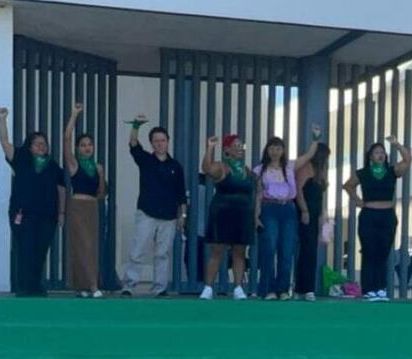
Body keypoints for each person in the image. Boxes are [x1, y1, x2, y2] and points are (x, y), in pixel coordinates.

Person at [0, 107, 66, 297]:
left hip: (47, 216)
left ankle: (36, 285)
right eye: (37, 144)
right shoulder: (21, 158)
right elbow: (4, 142)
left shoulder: (53, 166)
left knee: (41, 251)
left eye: (44, 144)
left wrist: (61, 213)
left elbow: (61, 190)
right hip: (22, 214)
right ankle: (24, 286)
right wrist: (2, 120)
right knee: (25, 248)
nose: (42, 146)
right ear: (29, 146)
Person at [121, 114, 187, 297]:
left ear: (168, 142)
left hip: (169, 215)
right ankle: (129, 285)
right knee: (138, 249)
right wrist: (136, 125)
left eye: (163, 140)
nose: (159, 144)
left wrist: (183, 216)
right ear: (151, 143)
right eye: (156, 141)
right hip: (147, 212)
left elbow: (181, 194)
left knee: (163, 253)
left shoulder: (176, 166)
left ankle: (160, 287)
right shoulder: (146, 160)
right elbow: (133, 145)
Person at [255, 125, 321, 300]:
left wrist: (315, 138)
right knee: (269, 248)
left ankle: (283, 288)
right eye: (272, 148)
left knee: (287, 248)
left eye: (278, 148)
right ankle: (268, 289)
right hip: (269, 208)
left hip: (288, 209)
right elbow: (258, 195)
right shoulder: (260, 170)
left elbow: (309, 155)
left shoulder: (290, 166)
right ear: (267, 150)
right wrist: (256, 216)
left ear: (283, 150)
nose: (275, 151)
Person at [342, 136, 412, 301]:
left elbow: (408, 160)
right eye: (376, 153)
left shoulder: (392, 171)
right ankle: (368, 289)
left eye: (382, 152)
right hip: (369, 215)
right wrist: (358, 200)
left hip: (387, 216)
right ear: (370, 156)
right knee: (369, 252)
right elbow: (348, 185)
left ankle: (380, 289)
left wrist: (397, 145)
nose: (380, 155)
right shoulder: (363, 173)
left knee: (383, 252)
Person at [200, 134, 255, 300]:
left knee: (240, 252)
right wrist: (210, 147)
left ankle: (238, 288)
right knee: (217, 251)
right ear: (227, 150)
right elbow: (206, 168)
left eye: (241, 146)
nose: (239, 148)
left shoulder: (246, 170)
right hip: (222, 213)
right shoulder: (222, 167)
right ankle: (208, 288)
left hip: (242, 214)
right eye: (236, 145)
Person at [63, 102, 108, 298]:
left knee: (91, 245)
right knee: (82, 245)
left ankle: (81, 285)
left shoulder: (98, 167)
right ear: (77, 148)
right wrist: (74, 115)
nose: (87, 148)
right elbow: (65, 139)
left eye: (90, 144)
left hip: (92, 207)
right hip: (77, 206)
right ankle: (91, 285)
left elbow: (101, 192)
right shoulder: (74, 164)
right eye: (83, 145)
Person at [294, 140, 331, 301]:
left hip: (315, 210)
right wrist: (304, 210)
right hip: (306, 209)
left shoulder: (320, 171)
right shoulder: (306, 167)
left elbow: (320, 194)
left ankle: (307, 286)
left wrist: (323, 213)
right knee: (306, 248)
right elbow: (299, 190)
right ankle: (303, 287)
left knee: (311, 249)